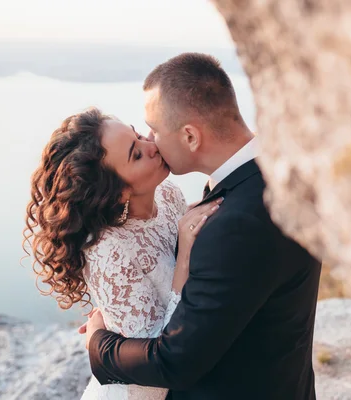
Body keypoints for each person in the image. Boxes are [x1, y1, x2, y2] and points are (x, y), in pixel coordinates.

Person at [83, 53, 322, 400]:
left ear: (190, 137)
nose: (151, 139)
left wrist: (99, 343)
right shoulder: (281, 173)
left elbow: (176, 362)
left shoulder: (234, 225)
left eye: (155, 128)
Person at [24, 108, 222, 400]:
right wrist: (183, 262)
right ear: (118, 192)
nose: (151, 146)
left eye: (139, 135)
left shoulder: (168, 193)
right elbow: (154, 357)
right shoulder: (108, 250)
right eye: (136, 154)